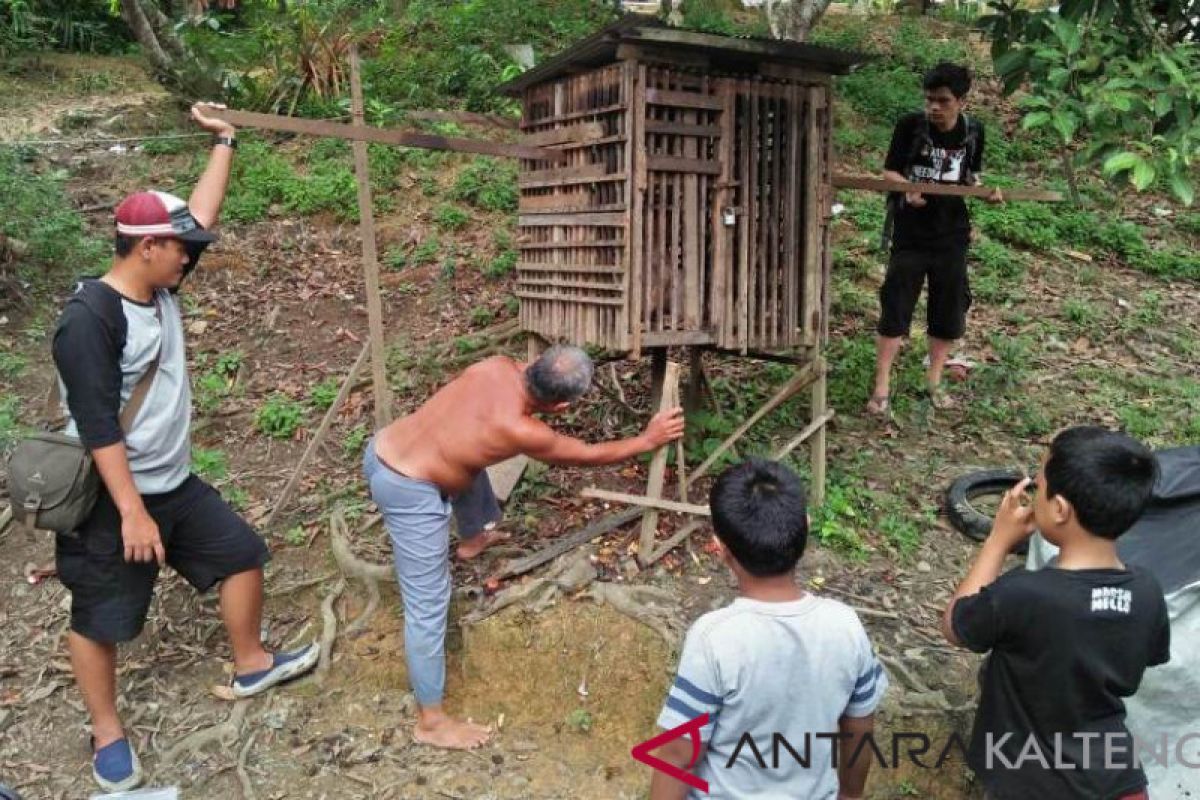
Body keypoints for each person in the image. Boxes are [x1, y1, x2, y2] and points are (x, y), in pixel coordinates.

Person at [51, 104, 318, 793]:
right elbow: (97, 424)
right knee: (100, 616)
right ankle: (107, 731)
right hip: (113, 499)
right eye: (181, 246)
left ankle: (251, 661)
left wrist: (225, 140)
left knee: (240, 556)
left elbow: (200, 210)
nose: (193, 253)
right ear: (146, 247)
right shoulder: (91, 319)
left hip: (174, 482)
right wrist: (134, 512)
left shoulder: (161, 283)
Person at [364, 346, 685, 750]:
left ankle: (473, 540)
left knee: (468, 457)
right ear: (563, 405)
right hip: (406, 487)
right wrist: (647, 439)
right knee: (427, 605)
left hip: (383, 447)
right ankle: (431, 722)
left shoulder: (496, 366)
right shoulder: (522, 430)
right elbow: (586, 455)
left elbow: (473, 430)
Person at [942, 426, 1171, 800]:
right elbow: (1145, 657)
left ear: (1060, 509)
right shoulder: (1147, 592)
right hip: (1119, 783)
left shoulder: (1024, 594)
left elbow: (955, 624)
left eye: (1040, 487)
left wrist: (998, 540)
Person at [647, 459, 888, 800]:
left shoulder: (714, 639)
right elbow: (859, 728)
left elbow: (679, 756)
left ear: (721, 550)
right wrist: (849, 795)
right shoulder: (845, 625)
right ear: (806, 526)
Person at [868, 62, 1003, 417]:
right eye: (930, 100)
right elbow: (890, 171)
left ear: (961, 100)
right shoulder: (910, 127)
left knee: (947, 309)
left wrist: (985, 191)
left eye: (943, 100)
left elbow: (969, 176)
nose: (934, 108)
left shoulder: (974, 131)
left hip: (952, 234)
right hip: (910, 232)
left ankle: (933, 380)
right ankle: (882, 384)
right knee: (896, 304)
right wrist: (907, 189)